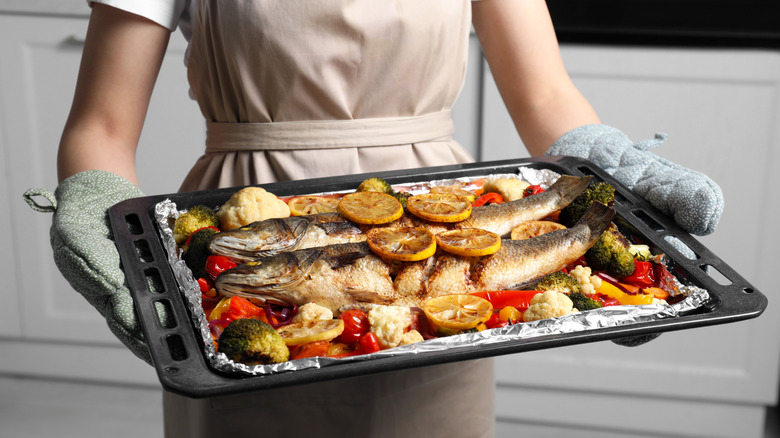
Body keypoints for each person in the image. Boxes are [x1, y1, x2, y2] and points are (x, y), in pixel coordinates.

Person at [23, 1, 723, 437]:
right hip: (256, 234)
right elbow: (103, 124)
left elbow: (544, 91)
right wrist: (92, 196)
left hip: (450, 250)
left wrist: (605, 170)